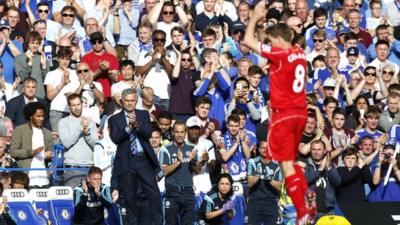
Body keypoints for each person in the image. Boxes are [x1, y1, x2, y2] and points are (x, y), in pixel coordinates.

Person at [242, 2, 314, 223]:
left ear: (281, 40)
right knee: (291, 161)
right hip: (301, 113)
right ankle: (307, 195)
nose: (270, 45)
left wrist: (254, 18)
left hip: (285, 113)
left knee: (284, 164)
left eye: (272, 42)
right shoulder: (299, 53)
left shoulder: (280, 54)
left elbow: (247, 42)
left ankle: (301, 211)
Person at [109, 88, 162, 225]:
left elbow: (148, 133)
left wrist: (136, 126)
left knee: (154, 194)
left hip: (143, 160)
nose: (129, 103)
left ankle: (158, 222)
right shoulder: (115, 119)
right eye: (126, 101)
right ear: (121, 102)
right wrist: (128, 128)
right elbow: (115, 138)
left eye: (132, 100)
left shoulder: (144, 114)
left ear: (136, 101)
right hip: (127, 162)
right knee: (130, 197)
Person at [58, 94, 99, 188]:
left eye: (78, 104)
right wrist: (81, 127)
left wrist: (87, 134)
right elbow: (66, 143)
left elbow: (96, 145)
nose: (76, 108)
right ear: (69, 107)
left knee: (90, 201)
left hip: (89, 168)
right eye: (73, 105)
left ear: (82, 104)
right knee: (74, 200)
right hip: (72, 168)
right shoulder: (63, 122)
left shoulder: (90, 122)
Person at [161, 121, 198, 225]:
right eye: (177, 132)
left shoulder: (192, 148)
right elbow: (164, 171)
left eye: (182, 132)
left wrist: (194, 161)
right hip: (172, 190)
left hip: (188, 190)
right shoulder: (166, 148)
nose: (179, 135)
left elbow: (197, 170)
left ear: (186, 132)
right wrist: (178, 162)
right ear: (172, 132)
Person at [10, 102, 53, 188]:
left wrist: (49, 154)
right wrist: (31, 152)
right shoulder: (20, 130)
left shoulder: (48, 133)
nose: (41, 119)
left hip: (44, 178)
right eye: (38, 116)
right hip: (27, 178)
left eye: (43, 116)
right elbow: (13, 152)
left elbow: (50, 152)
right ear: (30, 116)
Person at [246, 140, 282, 225]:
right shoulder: (252, 162)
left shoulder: (277, 164)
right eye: (263, 148)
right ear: (259, 149)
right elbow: (249, 184)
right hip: (254, 200)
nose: (265, 150)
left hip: (271, 201)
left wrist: (269, 179)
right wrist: (258, 174)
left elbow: (279, 187)